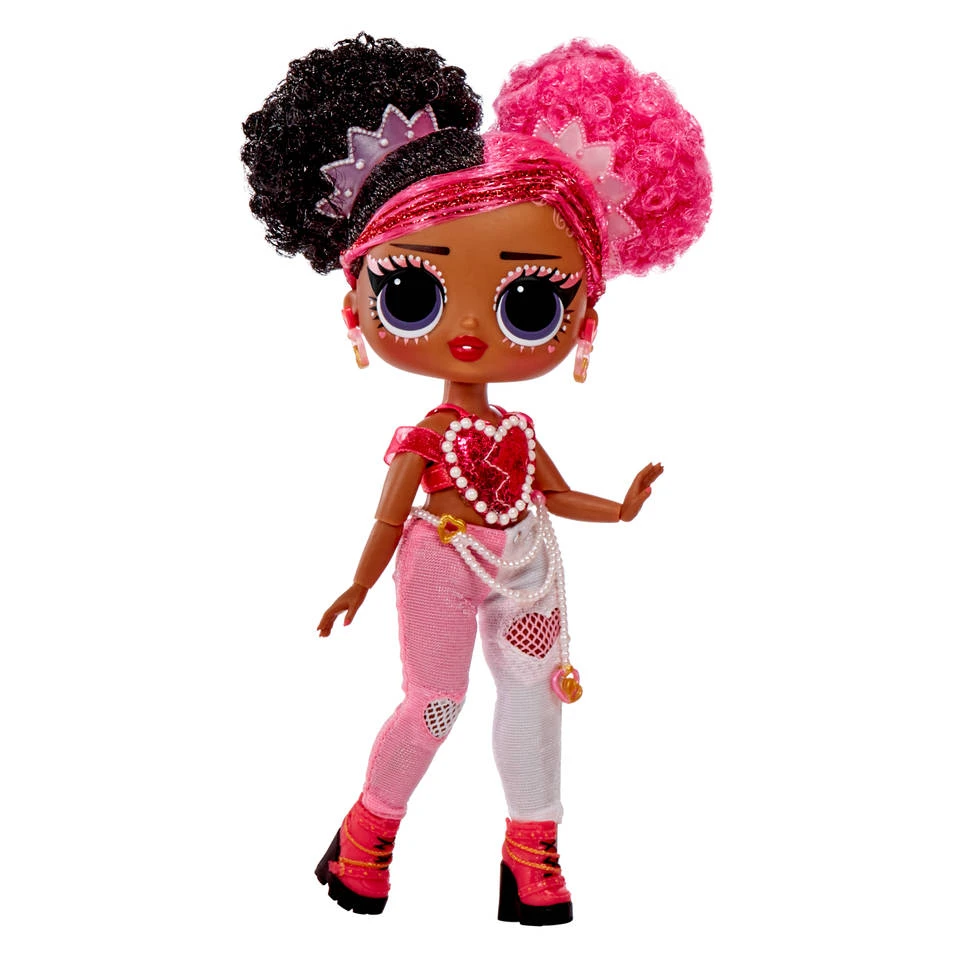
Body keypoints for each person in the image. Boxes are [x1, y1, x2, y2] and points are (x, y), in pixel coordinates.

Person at [242, 34, 710, 925]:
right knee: (435, 703)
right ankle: (368, 830)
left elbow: (552, 494)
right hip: (439, 562)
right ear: (356, 303)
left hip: (528, 560)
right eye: (413, 294)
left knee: (536, 698)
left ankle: (533, 848)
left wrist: (620, 507)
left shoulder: (519, 431)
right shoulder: (426, 436)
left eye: (528, 303)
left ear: (582, 316)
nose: (466, 334)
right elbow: (390, 520)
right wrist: (359, 582)